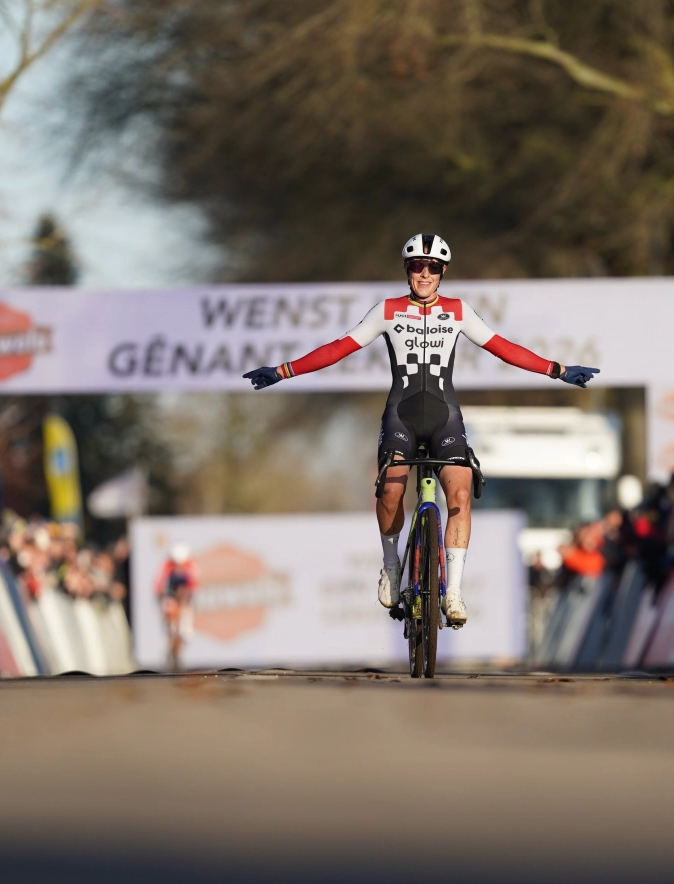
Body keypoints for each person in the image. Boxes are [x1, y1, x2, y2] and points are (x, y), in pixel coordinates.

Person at [241, 234, 598, 627]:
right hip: (402, 416)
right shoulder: (388, 311)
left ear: (443, 272)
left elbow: (502, 347)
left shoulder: (459, 311)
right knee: (391, 490)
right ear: (407, 270)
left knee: (461, 492)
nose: (423, 273)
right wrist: (282, 371)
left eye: (431, 267)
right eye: (416, 266)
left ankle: (455, 593)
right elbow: (339, 348)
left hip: (445, 417)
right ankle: (392, 566)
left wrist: (558, 370)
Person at [155, 543, 198, 670]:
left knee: (185, 631)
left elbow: (194, 586)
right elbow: (159, 587)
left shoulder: (191, 565)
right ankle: (171, 652)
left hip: (185, 602)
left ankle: (177, 654)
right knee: (171, 628)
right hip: (170, 599)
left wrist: (185, 596)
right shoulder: (166, 566)